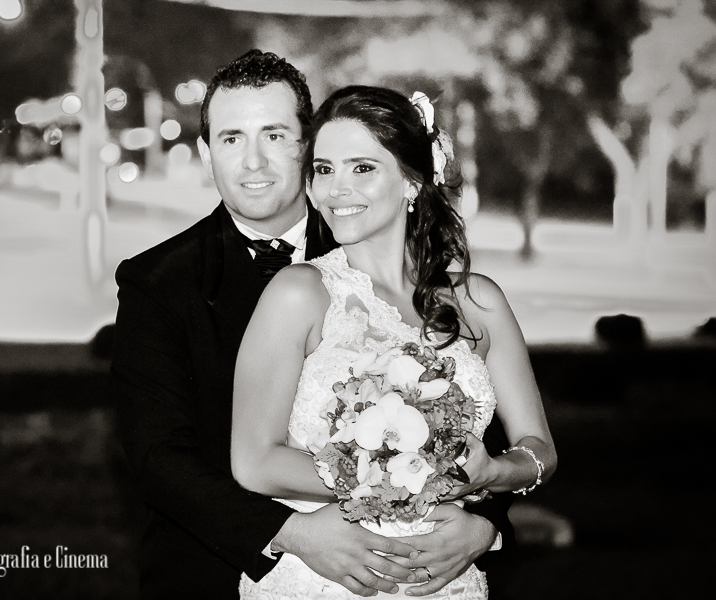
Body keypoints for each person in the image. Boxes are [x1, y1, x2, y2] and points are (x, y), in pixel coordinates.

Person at [111, 51, 514, 599]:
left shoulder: (374, 240)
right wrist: (292, 533)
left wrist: (486, 527)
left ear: (309, 145)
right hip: (216, 573)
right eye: (231, 138)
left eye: (275, 135)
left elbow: (476, 420)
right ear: (206, 154)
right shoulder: (158, 282)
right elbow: (157, 457)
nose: (254, 162)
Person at [232, 85, 557, 599]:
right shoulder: (298, 294)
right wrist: (398, 481)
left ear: (411, 181)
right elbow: (254, 461)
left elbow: (539, 449)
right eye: (323, 169)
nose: (336, 189)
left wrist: (491, 472)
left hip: (448, 579)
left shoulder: (481, 302)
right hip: (324, 579)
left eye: (361, 168)